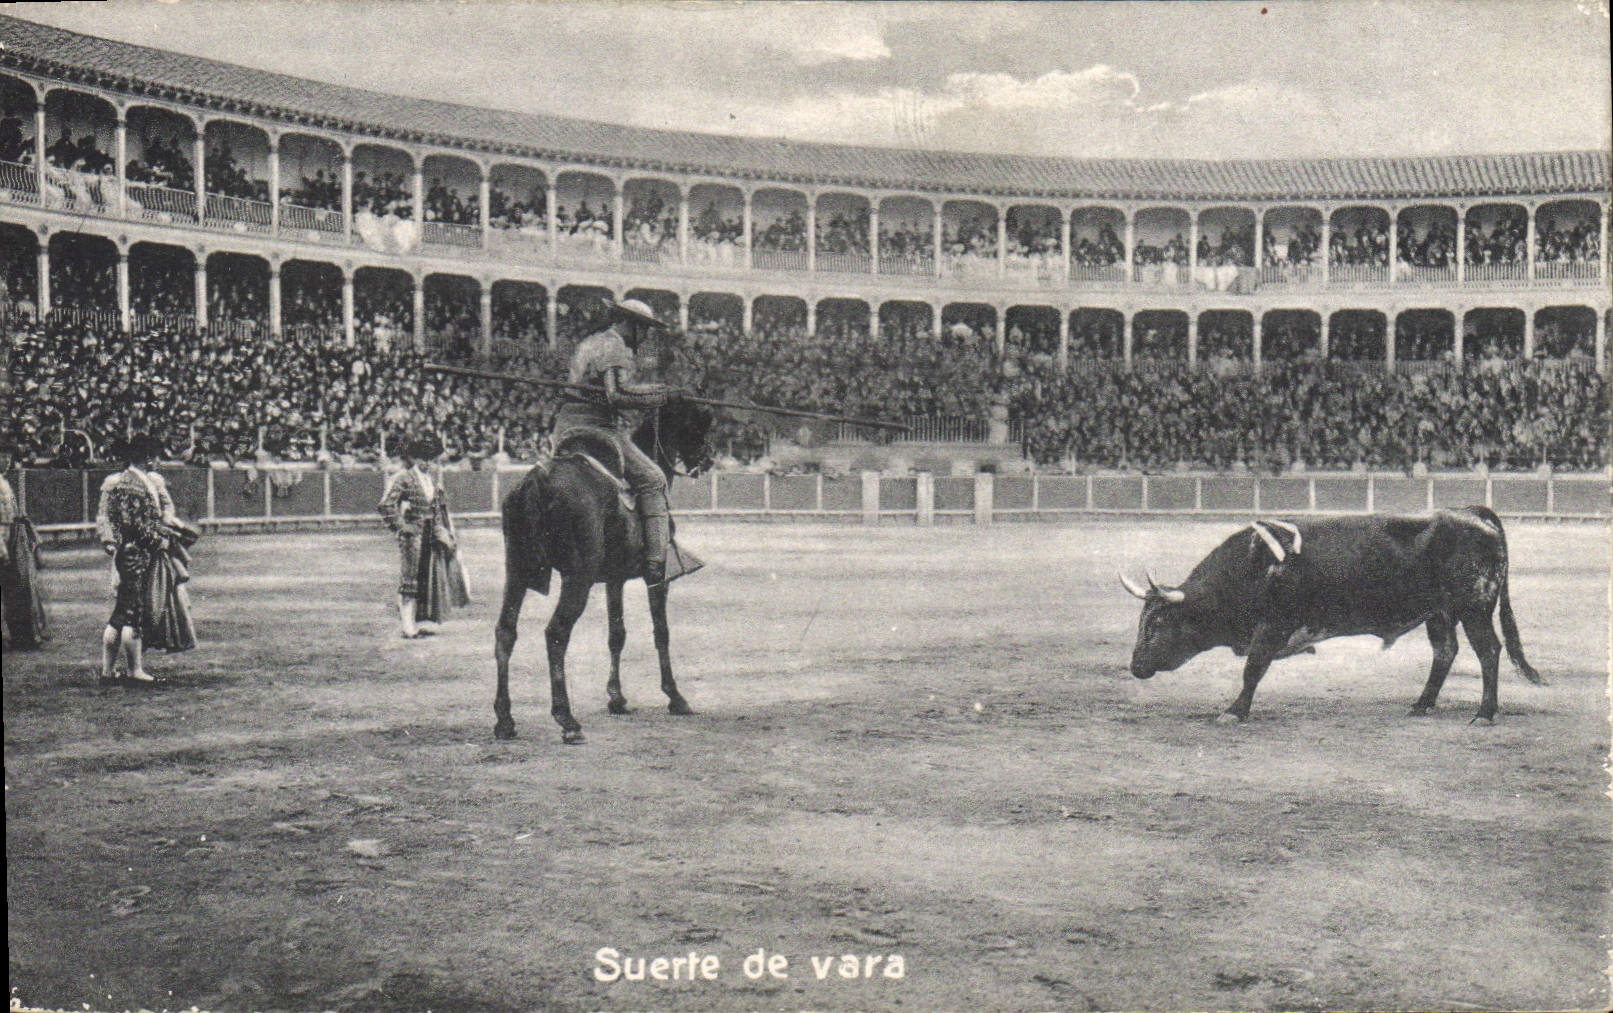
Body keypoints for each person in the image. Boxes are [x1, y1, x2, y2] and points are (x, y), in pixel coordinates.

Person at [549, 298, 677, 586]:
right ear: (630, 324)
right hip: (598, 428)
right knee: (654, 479)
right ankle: (657, 563)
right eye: (643, 329)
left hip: (565, 427)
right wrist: (659, 398)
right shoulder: (616, 347)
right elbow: (615, 396)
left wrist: (654, 390)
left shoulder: (591, 342)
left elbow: (614, 389)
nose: (644, 336)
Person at [96, 434, 174, 683]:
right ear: (146, 457)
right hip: (136, 553)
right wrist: (158, 541)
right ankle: (134, 670)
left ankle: (108, 671)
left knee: (120, 612)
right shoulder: (135, 484)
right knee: (133, 612)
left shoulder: (123, 481)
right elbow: (137, 525)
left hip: (126, 551)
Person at [378, 433, 468, 637]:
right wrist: (402, 526)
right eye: (424, 458)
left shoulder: (430, 481)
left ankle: (415, 624)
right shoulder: (404, 478)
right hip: (413, 537)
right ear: (415, 458)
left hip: (429, 535)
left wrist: (441, 531)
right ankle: (408, 628)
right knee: (410, 579)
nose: (428, 462)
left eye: (431, 458)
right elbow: (386, 506)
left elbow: (436, 510)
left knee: (425, 579)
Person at [0, 441, 51, 650]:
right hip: (7, 539)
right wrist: (2, 544)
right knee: (17, 589)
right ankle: (22, 637)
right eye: (2, 456)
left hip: (12, 538)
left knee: (19, 590)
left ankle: (22, 636)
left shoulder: (3, 481)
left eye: (8, 457)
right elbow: (3, 520)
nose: (6, 461)